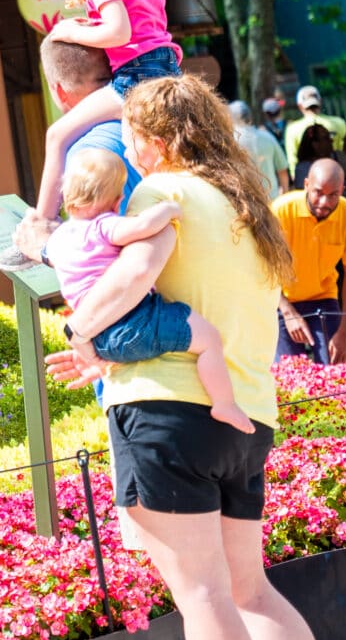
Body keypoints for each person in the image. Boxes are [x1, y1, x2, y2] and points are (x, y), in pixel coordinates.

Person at [46, 77, 323, 640]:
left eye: (131, 132)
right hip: (246, 414)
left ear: (158, 140)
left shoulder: (160, 192)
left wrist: (80, 333)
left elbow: (137, 273)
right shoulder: (247, 205)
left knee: (202, 595)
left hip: (167, 410)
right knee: (251, 592)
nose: (125, 143)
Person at [42, 148, 253, 431]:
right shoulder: (103, 227)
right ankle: (224, 404)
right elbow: (143, 226)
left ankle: (100, 363)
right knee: (209, 339)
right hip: (135, 321)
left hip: (98, 338)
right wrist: (170, 209)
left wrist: (94, 355)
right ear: (117, 202)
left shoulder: (57, 241)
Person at [30, 0, 181, 223]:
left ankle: (43, 222)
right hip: (165, 68)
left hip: (137, 77)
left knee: (58, 135)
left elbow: (118, 31)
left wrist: (70, 30)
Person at [0, 40, 142, 271]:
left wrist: (43, 248)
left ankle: (43, 221)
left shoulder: (84, 155)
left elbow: (100, 260)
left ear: (60, 91)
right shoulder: (154, 128)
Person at [271, 160, 346, 364]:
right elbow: (263, 267)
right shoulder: (279, 210)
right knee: (290, 373)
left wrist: (344, 333)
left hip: (323, 298)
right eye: (318, 192)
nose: (325, 202)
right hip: (280, 299)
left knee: (335, 369)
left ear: (342, 190)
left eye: (333, 195)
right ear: (305, 185)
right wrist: (287, 312)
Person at [229, 99, 289, 198]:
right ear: (250, 117)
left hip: (245, 202)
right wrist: (285, 194)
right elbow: (282, 169)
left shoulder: (230, 141)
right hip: (271, 199)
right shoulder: (267, 137)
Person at [282, 85, 346, 167]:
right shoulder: (339, 122)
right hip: (338, 169)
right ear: (320, 101)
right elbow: (345, 150)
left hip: (309, 173)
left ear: (299, 105)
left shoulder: (292, 129)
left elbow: (292, 161)